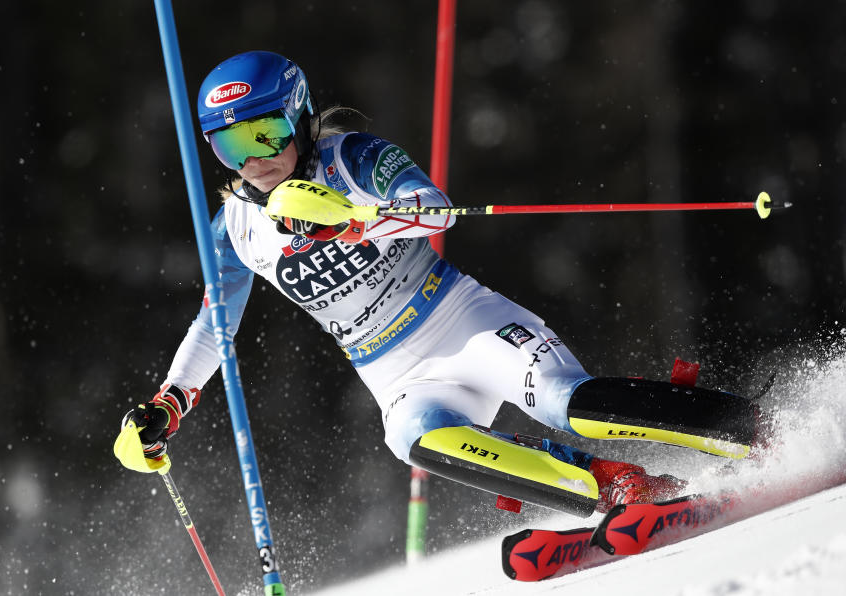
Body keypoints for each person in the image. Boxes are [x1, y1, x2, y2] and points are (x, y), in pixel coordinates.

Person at [120, 50, 759, 517]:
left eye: (265, 133)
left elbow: (434, 208)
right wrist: (167, 405)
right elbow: (216, 326)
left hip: (460, 322)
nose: (253, 159)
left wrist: (349, 223)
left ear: (299, 116)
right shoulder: (233, 228)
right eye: (230, 146)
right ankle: (621, 488)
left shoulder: (352, 157)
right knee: (417, 441)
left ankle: (752, 430)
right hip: (392, 373)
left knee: (573, 405)